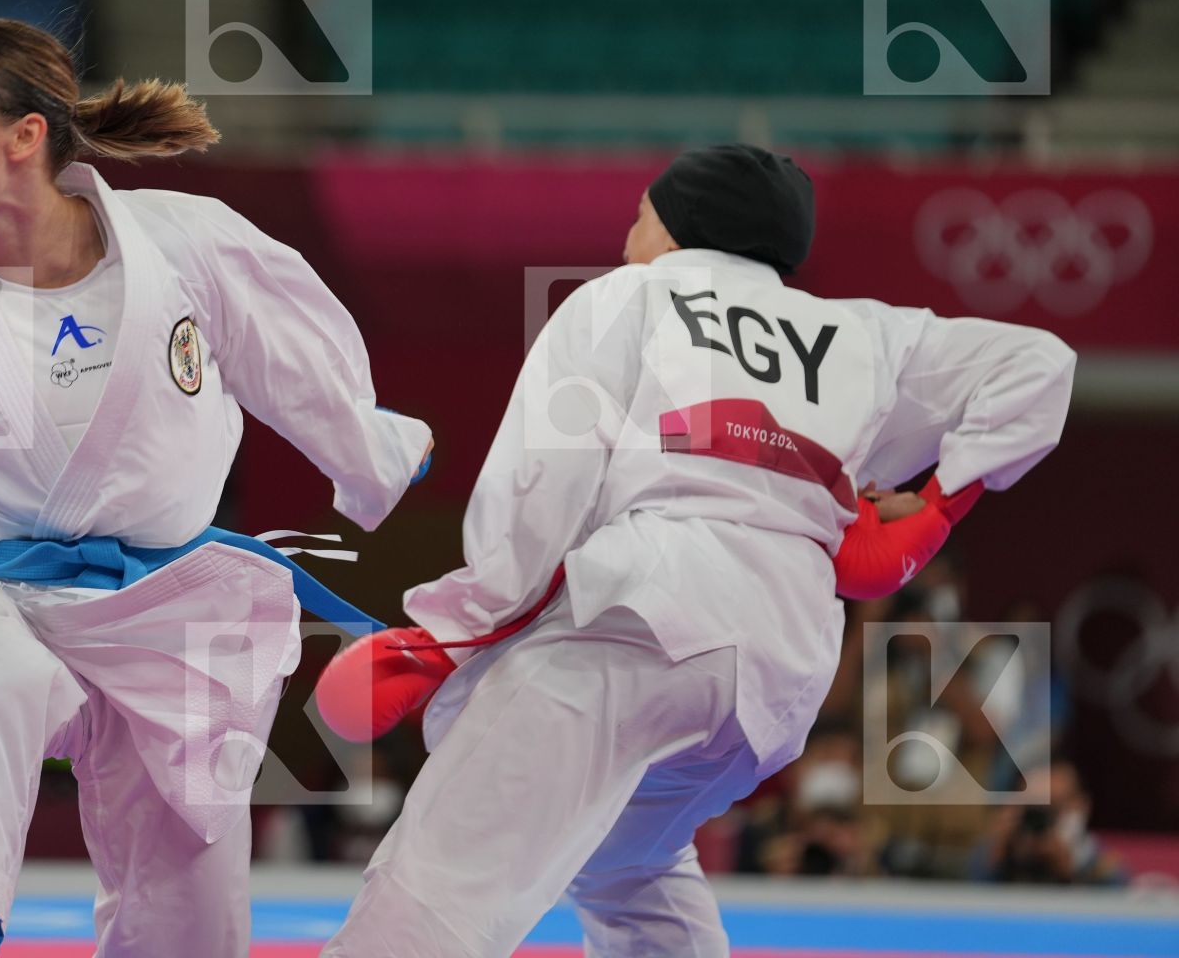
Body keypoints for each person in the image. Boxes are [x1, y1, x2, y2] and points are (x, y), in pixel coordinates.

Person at [0, 18, 432, 957]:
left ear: (25, 135)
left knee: (189, 927)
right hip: (0, 593)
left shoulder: (189, 247)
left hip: (169, 610)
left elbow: (297, 370)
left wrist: (374, 451)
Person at [315, 144, 1075, 957]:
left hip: (648, 619)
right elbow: (1039, 365)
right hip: (780, 671)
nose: (626, 236)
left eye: (640, 217)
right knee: (625, 864)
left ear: (682, 230)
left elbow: (540, 489)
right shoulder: (862, 334)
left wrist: (447, 633)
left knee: (445, 873)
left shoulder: (627, 297)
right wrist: (940, 502)